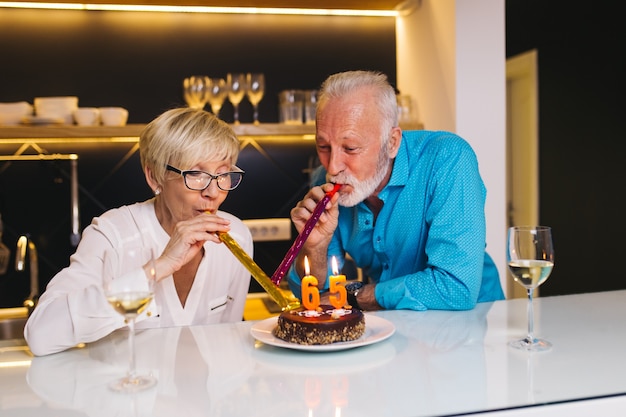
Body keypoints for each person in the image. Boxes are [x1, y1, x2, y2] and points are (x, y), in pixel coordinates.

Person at [25, 107, 252, 356]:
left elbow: (229, 346)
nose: (213, 192)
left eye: (223, 174)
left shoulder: (237, 236)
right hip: (123, 393)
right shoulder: (111, 235)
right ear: (154, 177)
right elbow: (40, 335)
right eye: (196, 174)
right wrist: (159, 267)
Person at [287, 70, 504, 311]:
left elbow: (456, 288)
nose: (333, 166)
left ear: (391, 143)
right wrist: (314, 248)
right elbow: (312, 294)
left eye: (350, 148)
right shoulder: (321, 180)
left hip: (477, 324)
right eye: (323, 146)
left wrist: (357, 295)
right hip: (397, 328)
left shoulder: (448, 160)